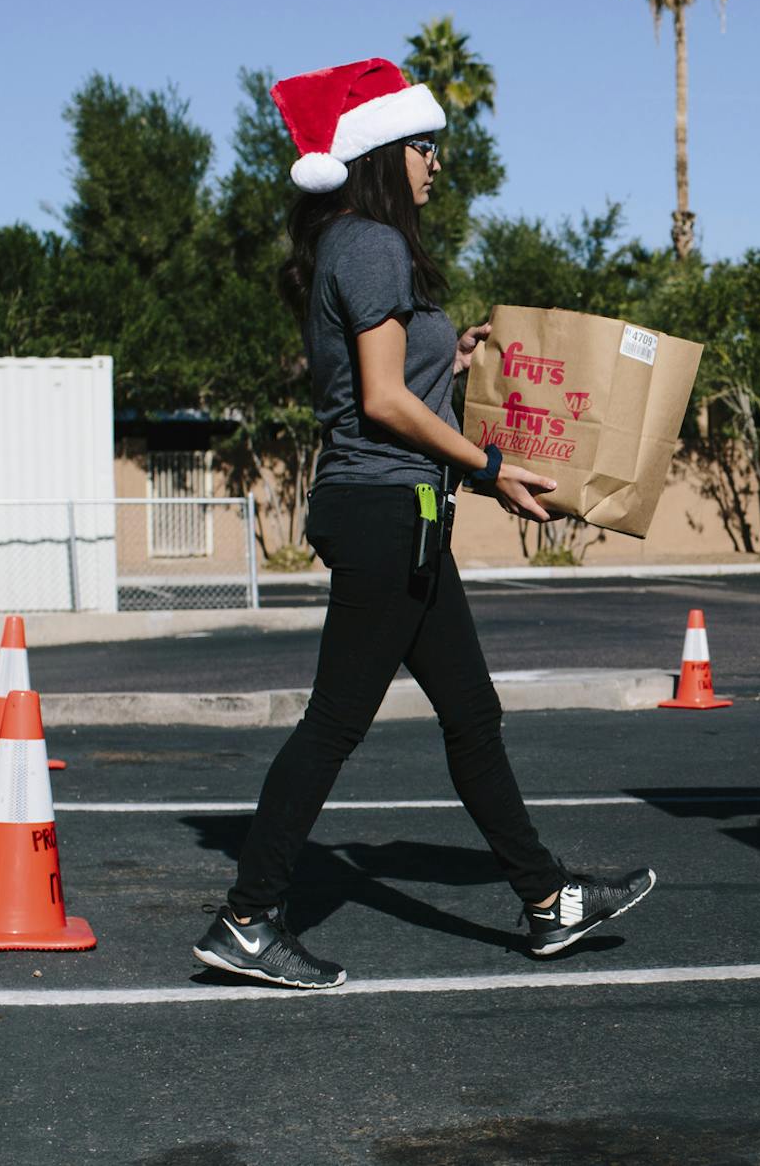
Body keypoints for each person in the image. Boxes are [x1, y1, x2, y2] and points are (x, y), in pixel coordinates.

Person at [192, 58, 653, 989]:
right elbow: (382, 399)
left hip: (403, 511)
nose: (438, 162)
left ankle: (545, 901)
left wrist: (459, 357)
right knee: (333, 723)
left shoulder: (357, 246)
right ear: (381, 152)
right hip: (384, 512)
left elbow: (400, 383)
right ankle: (247, 916)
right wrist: (485, 464)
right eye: (425, 145)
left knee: (472, 717)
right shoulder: (371, 244)